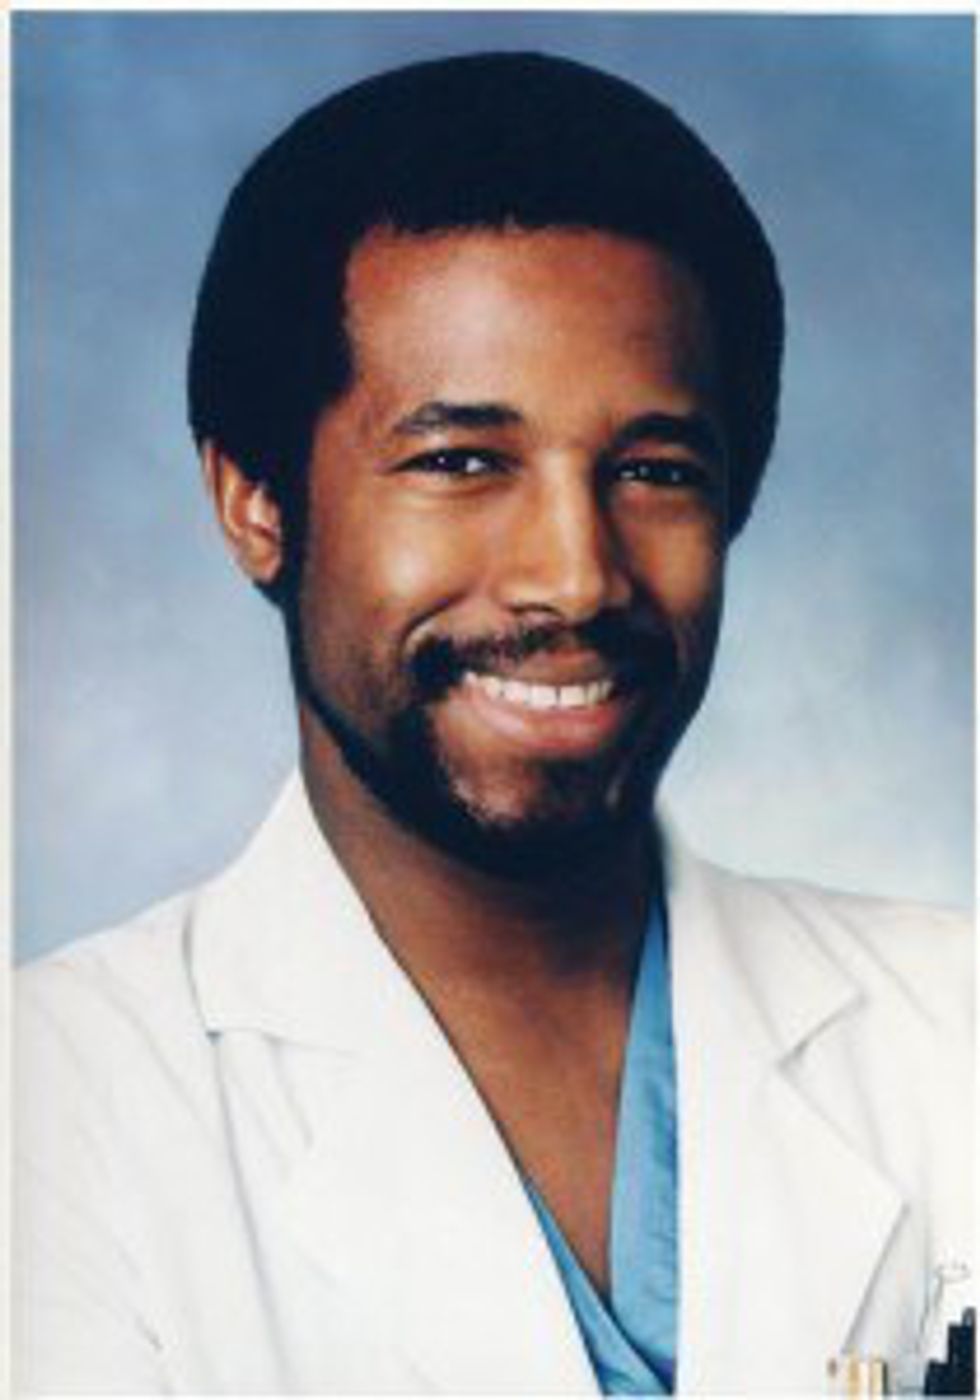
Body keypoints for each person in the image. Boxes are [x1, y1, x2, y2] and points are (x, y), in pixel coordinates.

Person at [14, 52, 973, 1397]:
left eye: (654, 470)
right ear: (255, 504)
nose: (575, 577)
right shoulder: (54, 1113)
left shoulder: (953, 1028)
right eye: (461, 462)